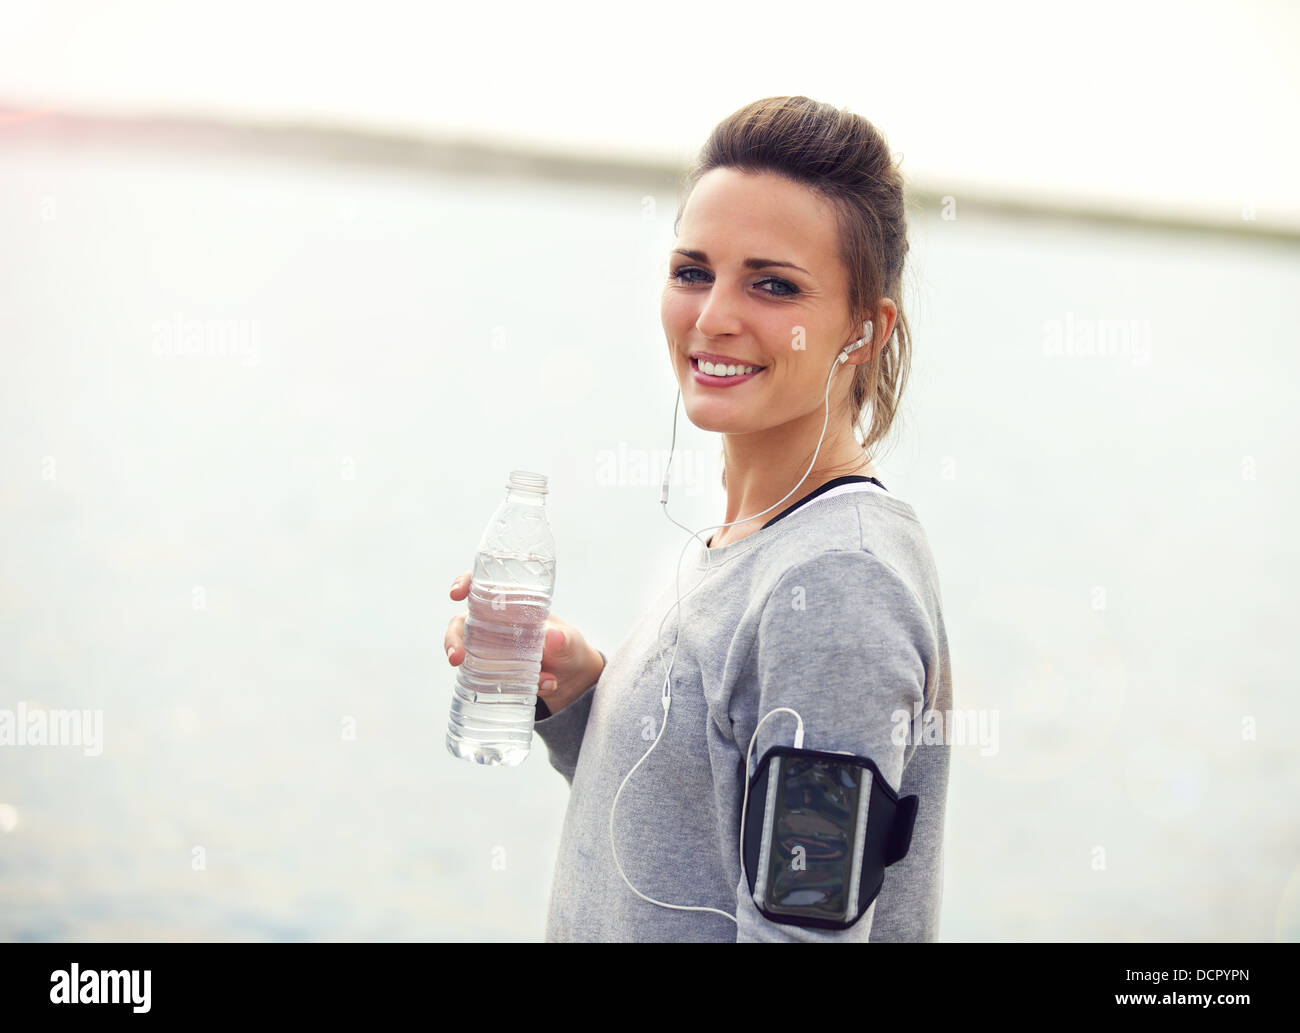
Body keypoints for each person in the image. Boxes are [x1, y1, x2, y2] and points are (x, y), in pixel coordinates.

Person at [445, 95, 952, 942]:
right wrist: (584, 698)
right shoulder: (745, 537)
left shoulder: (836, 582)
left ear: (864, 331)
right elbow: (695, 829)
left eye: (773, 284)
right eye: (693, 271)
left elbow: (803, 925)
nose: (714, 315)